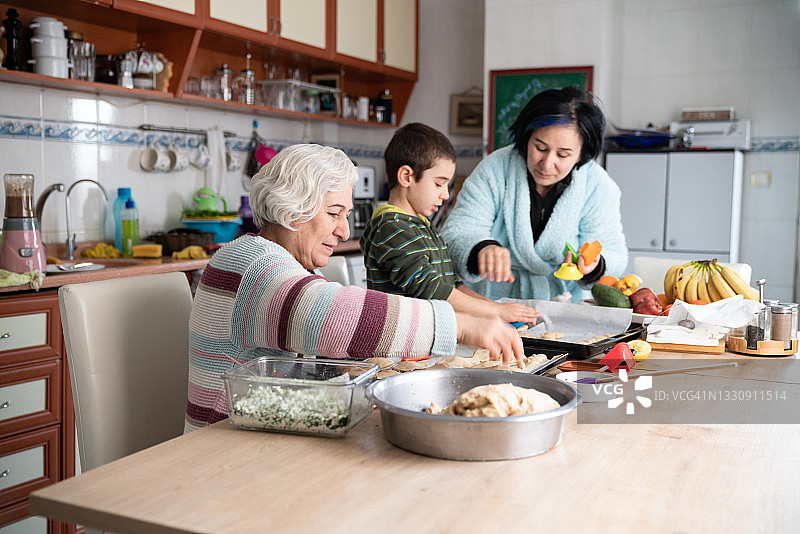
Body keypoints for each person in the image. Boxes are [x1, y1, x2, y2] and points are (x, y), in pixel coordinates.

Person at [185, 143, 524, 432]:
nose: (344, 231)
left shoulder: (284, 264)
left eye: (346, 215)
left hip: (260, 431)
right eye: (334, 214)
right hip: (220, 447)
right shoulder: (253, 266)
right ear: (292, 208)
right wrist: (460, 326)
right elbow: (333, 318)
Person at [441, 87, 627, 302]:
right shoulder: (494, 169)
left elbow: (614, 255)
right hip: (492, 303)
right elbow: (457, 232)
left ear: (581, 155)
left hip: (564, 304)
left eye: (563, 154)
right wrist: (481, 249)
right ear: (526, 137)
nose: (547, 164)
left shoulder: (598, 186)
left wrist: (595, 266)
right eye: (540, 148)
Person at [360, 122, 540, 323]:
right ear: (406, 177)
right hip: (404, 338)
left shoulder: (422, 226)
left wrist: (498, 310)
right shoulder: (392, 228)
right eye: (439, 183)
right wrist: (495, 311)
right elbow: (432, 289)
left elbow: (451, 285)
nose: (445, 194)